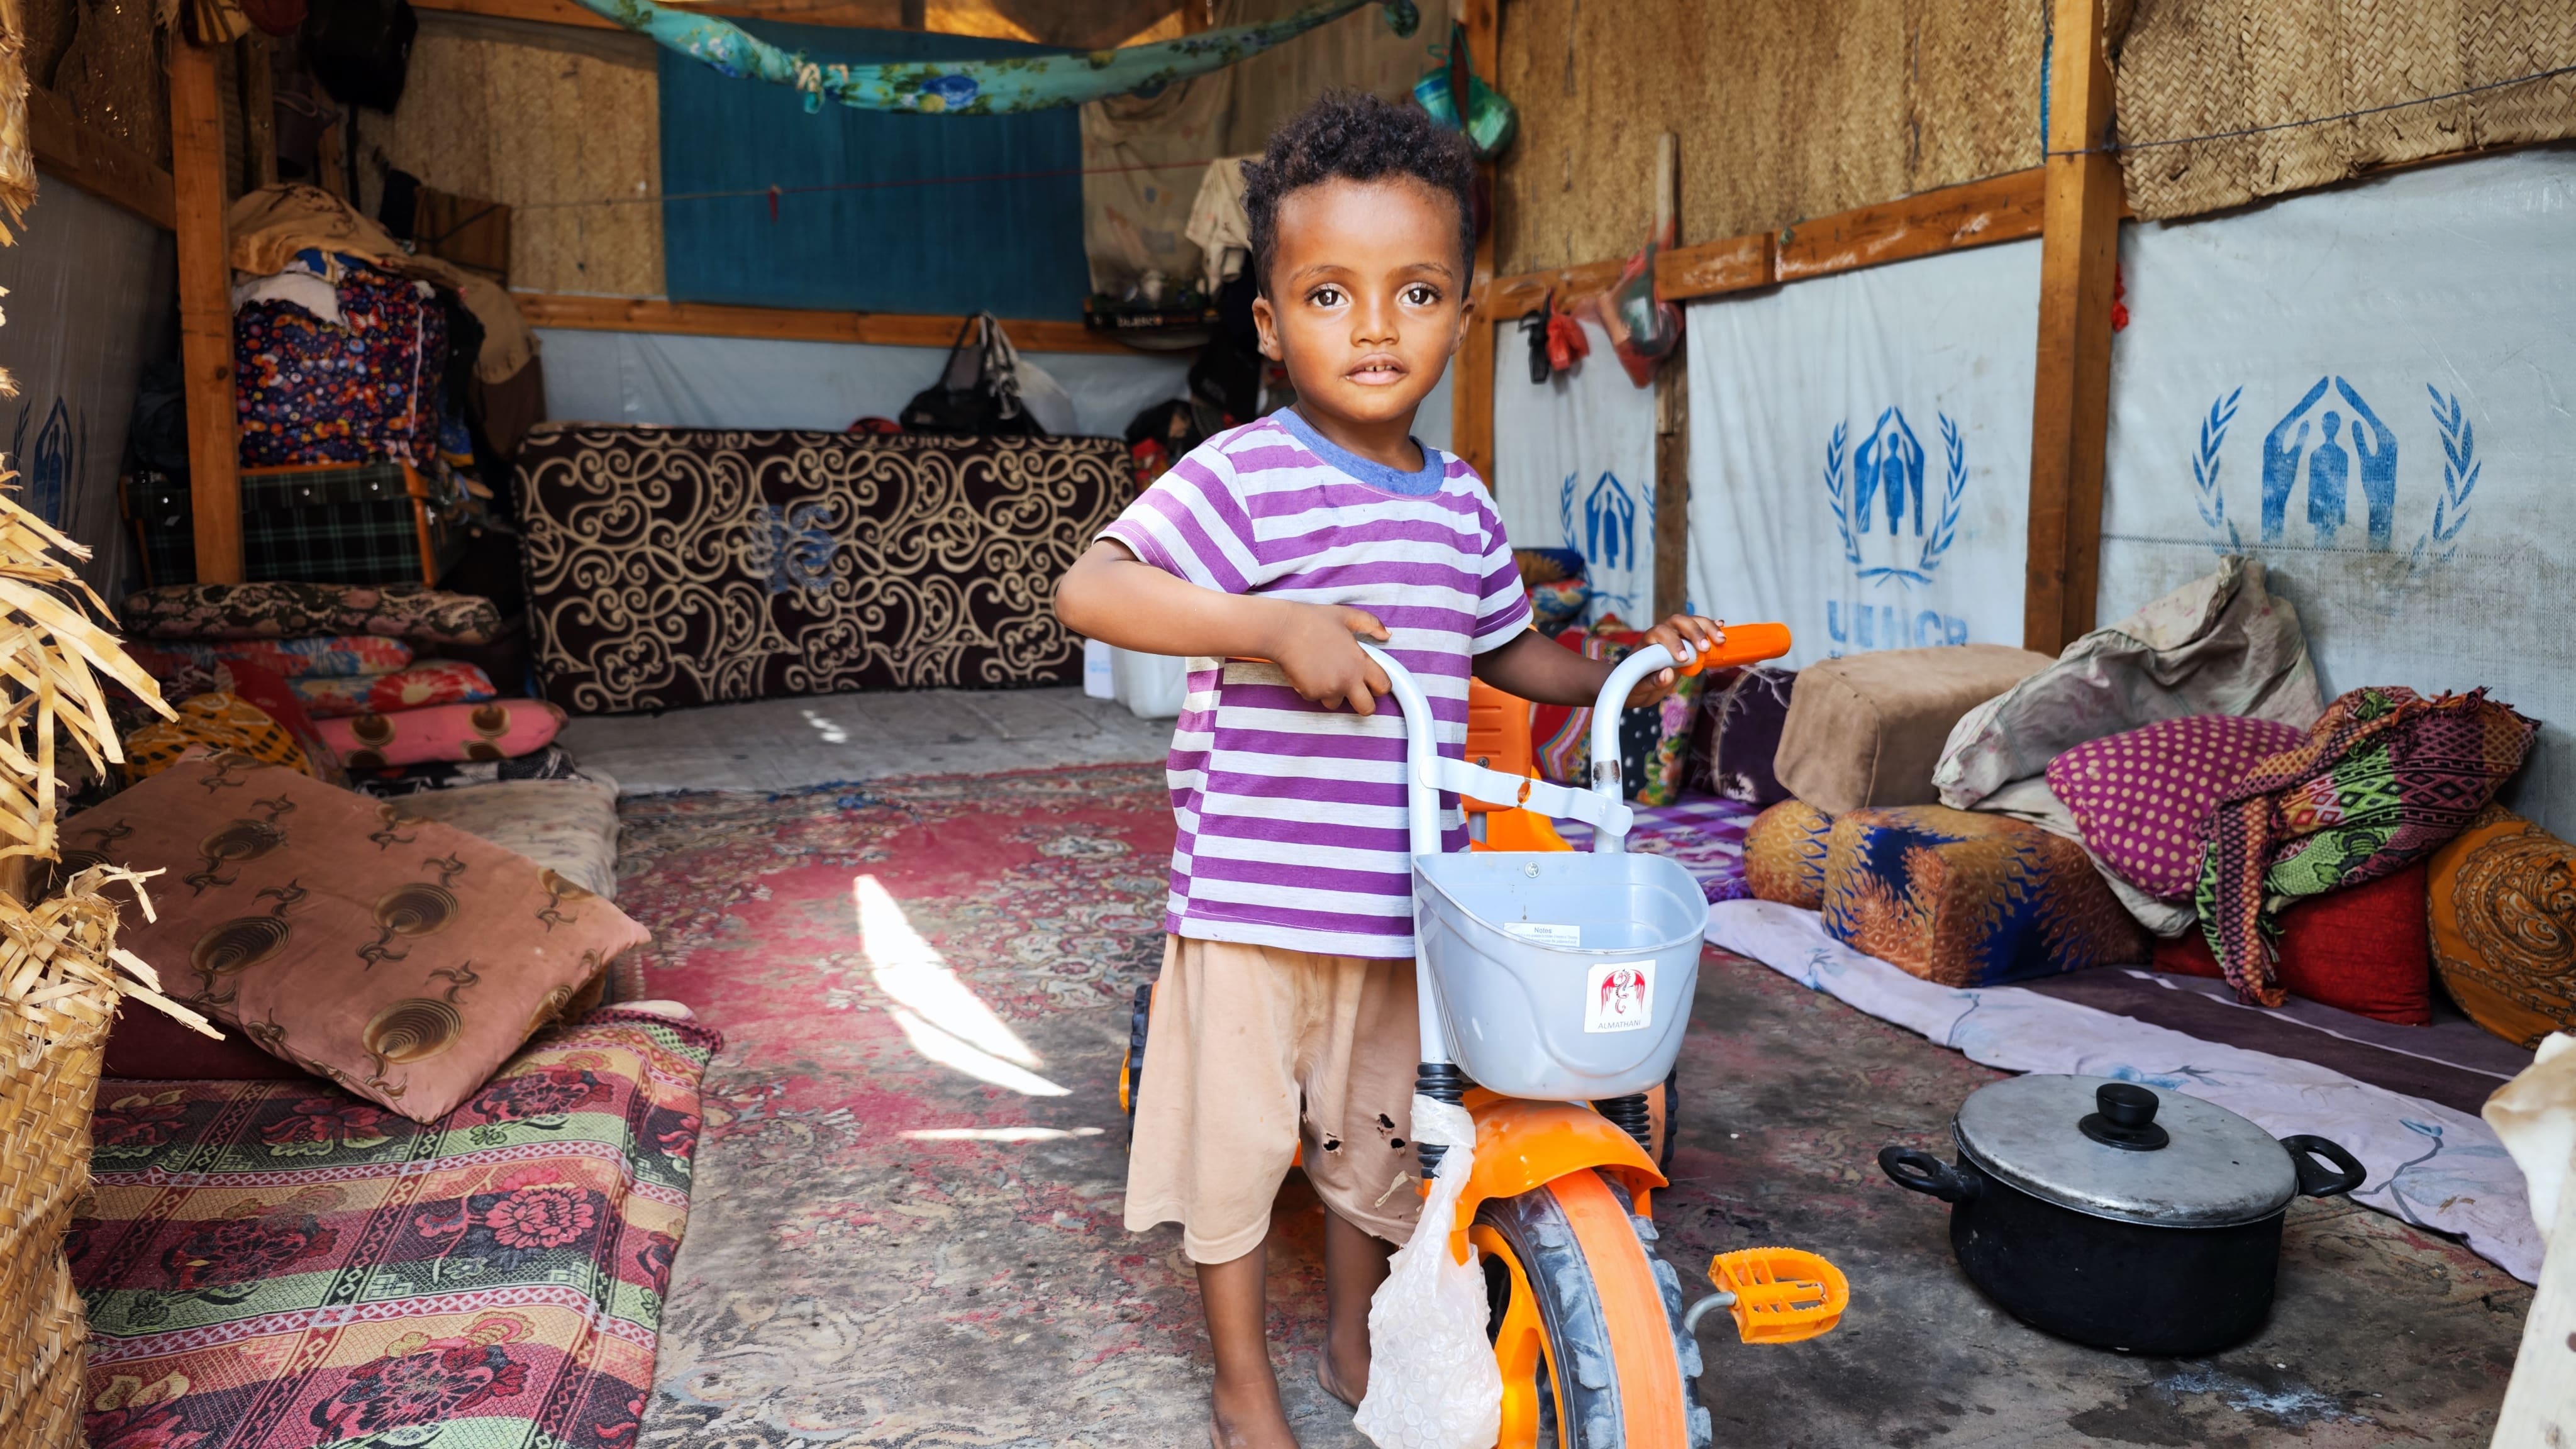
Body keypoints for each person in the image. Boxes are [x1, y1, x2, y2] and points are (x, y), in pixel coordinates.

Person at [1053, 90, 1724, 1449]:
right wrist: (1265, 625)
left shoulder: (1462, 503)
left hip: (1396, 907)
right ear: (1267, 320)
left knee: (1376, 1151)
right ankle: (1243, 1380)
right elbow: (1091, 590)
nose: (1372, 328)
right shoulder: (1241, 475)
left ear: (1460, 311)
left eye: (1413, 291)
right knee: (1235, 1160)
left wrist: (1628, 662)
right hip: (1249, 908)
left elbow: (1508, 657)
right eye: (1327, 294)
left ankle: (1355, 1334)